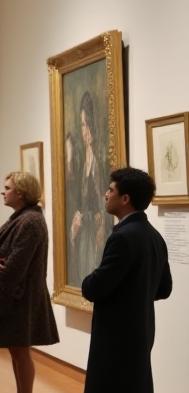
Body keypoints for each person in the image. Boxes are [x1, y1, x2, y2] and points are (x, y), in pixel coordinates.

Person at [78, 168, 172, 393]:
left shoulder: (124, 236)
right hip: (142, 327)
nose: (106, 194)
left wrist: (91, 280)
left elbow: (95, 287)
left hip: (119, 331)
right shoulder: (153, 236)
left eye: (111, 189)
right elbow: (164, 288)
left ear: (125, 198)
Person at [0, 171, 59, 393]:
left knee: (21, 353)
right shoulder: (25, 218)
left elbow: (14, 267)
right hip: (15, 295)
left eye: (7, 187)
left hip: (19, 298)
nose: (3, 191)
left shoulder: (30, 221)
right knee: (16, 352)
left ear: (20, 192)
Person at [67, 92, 112, 285]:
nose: (84, 131)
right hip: (82, 232)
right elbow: (76, 199)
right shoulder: (79, 162)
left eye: (86, 125)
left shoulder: (99, 161)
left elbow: (102, 202)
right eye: (82, 125)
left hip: (94, 234)